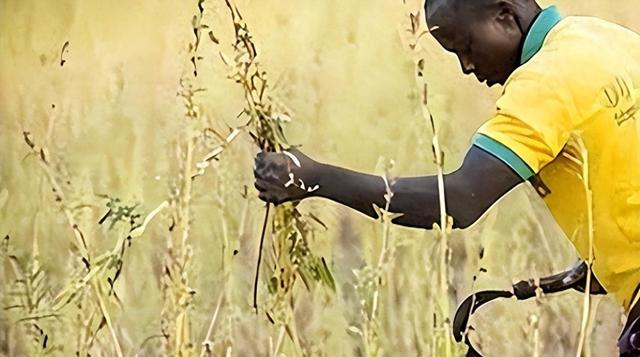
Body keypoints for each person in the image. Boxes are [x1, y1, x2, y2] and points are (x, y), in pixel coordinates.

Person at [253, 0, 640, 355]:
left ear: (505, 15)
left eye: (466, 47)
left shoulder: (543, 83)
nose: (467, 67)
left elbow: (459, 200)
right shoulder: (604, 38)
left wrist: (314, 179)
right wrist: (610, 256)